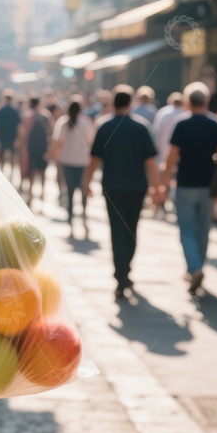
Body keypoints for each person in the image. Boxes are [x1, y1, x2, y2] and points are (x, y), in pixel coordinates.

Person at [83, 86, 161, 298]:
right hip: (137, 188)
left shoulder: (105, 126)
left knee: (116, 230)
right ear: (130, 103)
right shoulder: (141, 127)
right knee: (131, 229)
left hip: (113, 187)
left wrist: (86, 182)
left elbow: (94, 159)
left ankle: (121, 273)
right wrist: (156, 187)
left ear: (113, 103)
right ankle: (125, 270)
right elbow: (150, 162)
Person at [161, 82, 217, 295]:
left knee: (187, 230)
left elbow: (171, 157)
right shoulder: (216, 124)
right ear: (207, 101)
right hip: (208, 185)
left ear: (188, 101)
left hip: (185, 184)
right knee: (203, 229)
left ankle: (194, 267)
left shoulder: (181, 123)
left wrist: (164, 183)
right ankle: (197, 266)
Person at [52, 96, 93, 235]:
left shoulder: (63, 123)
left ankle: (70, 222)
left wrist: (57, 160)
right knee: (83, 192)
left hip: (67, 162)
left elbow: (58, 143)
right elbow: (89, 142)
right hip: (83, 162)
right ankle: (84, 217)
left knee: (69, 193)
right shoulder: (86, 123)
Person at [20, 96, 52, 204]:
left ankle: (30, 194)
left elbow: (24, 133)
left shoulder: (27, 116)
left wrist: (23, 147)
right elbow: (51, 131)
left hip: (31, 147)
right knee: (43, 171)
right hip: (43, 146)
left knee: (32, 171)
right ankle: (42, 193)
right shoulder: (46, 115)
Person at [0, 91, 22, 180]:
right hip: (12, 136)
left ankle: (2, 173)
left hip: (2, 136)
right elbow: (19, 126)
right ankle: (11, 175)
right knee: (12, 156)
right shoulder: (15, 111)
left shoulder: (0, 111)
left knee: (2, 156)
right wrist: (18, 138)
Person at [153, 92, 184, 164]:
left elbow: (157, 129)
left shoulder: (163, 112)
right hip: (178, 147)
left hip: (163, 144)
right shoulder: (184, 113)